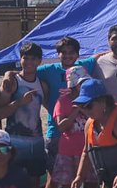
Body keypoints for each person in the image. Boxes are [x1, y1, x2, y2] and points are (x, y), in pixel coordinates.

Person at [0, 42, 51, 188]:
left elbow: (52, 108)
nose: (28, 62)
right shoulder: (12, 83)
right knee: (12, 187)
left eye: (32, 59)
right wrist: (18, 102)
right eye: (25, 57)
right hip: (14, 143)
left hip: (36, 143)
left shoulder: (42, 84)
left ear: (39, 61)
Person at [36, 36, 99, 173]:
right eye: (63, 52)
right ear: (58, 54)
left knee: (83, 175)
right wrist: (8, 74)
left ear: (77, 54)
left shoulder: (84, 66)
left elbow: (99, 56)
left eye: (71, 52)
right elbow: (26, 72)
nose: (67, 55)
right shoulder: (48, 69)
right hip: (56, 130)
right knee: (54, 177)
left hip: (81, 132)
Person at [50, 65, 96, 188]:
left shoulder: (92, 100)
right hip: (68, 152)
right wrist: (78, 109)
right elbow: (61, 126)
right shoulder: (63, 101)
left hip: (90, 150)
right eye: (79, 83)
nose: (81, 86)